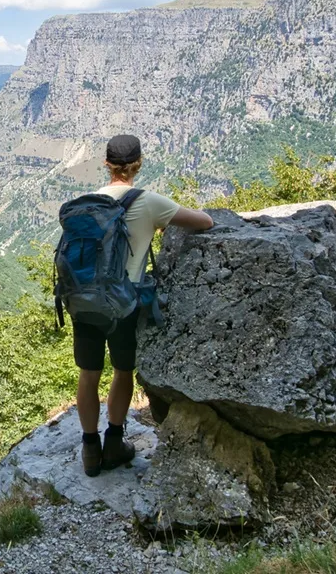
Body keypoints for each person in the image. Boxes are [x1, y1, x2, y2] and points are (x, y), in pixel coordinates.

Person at [75, 134, 213, 477]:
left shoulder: (87, 201)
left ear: (106, 165)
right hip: (122, 304)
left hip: (85, 300)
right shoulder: (149, 202)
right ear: (138, 165)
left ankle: (90, 451)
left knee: (88, 374)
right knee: (122, 371)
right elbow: (204, 222)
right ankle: (114, 442)